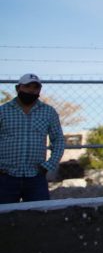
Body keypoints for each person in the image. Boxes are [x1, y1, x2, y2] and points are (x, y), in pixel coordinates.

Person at [0, 73, 65, 203]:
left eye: (35, 87)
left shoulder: (48, 112)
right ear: (18, 88)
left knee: (40, 216)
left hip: (36, 177)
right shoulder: (3, 111)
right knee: (4, 218)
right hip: (6, 176)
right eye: (27, 86)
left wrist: (48, 165)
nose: (31, 90)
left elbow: (58, 140)